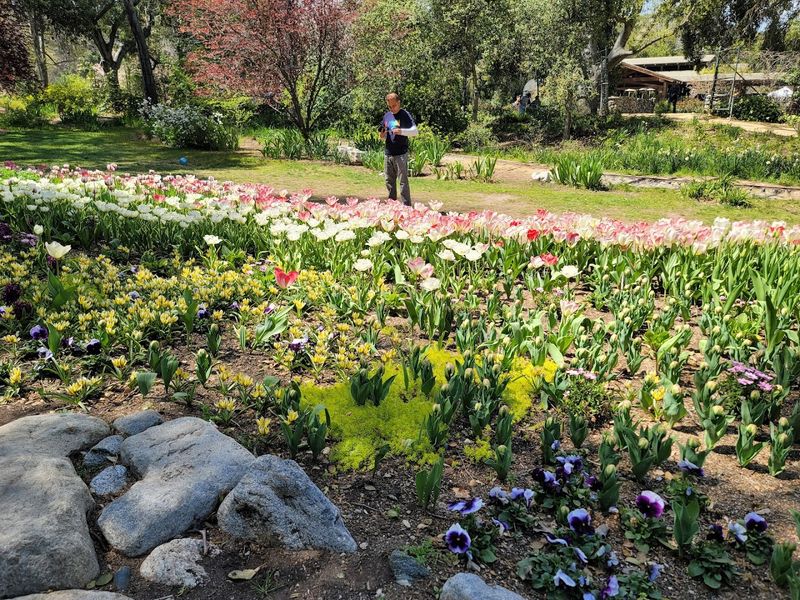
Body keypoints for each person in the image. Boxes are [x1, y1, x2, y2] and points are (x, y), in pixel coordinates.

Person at [379, 92, 418, 206]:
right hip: (388, 153)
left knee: (403, 182)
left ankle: (407, 207)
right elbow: (383, 136)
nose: (392, 108)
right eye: (389, 106)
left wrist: (401, 131)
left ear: (399, 103)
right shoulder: (387, 116)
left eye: (394, 106)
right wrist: (382, 135)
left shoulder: (404, 114)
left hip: (401, 154)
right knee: (389, 182)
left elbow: (415, 132)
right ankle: (392, 206)